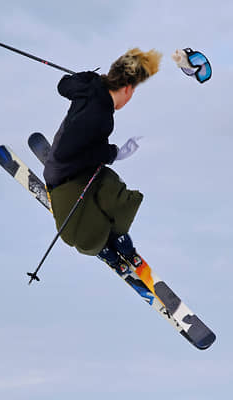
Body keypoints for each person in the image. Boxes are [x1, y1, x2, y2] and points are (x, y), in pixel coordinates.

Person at [43, 47, 162, 274]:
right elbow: (71, 150)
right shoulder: (101, 117)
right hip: (65, 178)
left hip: (81, 170)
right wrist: (112, 153)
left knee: (123, 201)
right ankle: (102, 244)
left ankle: (113, 237)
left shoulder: (92, 87)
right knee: (85, 238)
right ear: (127, 88)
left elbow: (64, 85)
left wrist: (88, 77)